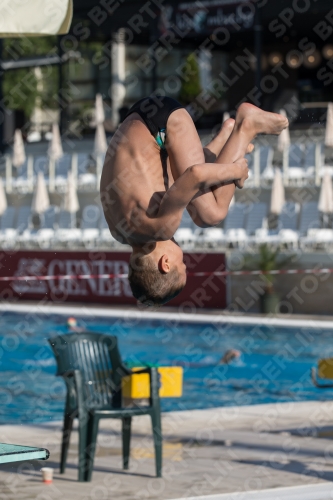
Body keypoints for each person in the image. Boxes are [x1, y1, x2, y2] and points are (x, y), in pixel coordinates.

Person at [100, 96, 288, 305]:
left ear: (166, 264)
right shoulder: (119, 232)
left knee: (210, 215)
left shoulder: (161, 229)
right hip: (141, 117)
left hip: (164, 123)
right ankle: (228, 135)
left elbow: (195, 174)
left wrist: (236, 170)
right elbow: (181, 180)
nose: (185, 257)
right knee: (192, 199)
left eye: (183, 263)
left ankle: (247, 125)